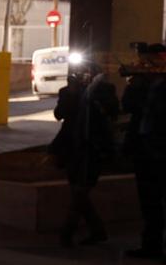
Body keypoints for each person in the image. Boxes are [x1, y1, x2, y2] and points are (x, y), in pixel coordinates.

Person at [51, 60, 119, 246]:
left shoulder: (104, 90)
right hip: (73, 147)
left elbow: (113, 112)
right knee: (77, 191)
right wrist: (71, 95)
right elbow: (59, 114)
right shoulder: (67, 91)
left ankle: (66, 234)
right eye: (80, 72)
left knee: (81, 191)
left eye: (87, 72)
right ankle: (98, 230)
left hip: (93, 148)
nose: (83, 75)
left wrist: (94, 97)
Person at [122, 43, 166, 259]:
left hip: (159, 148)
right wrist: (135, 83)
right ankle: (151, 245)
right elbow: (128, 106)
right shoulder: (143, 84)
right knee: (149, 201)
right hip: (145, 149)